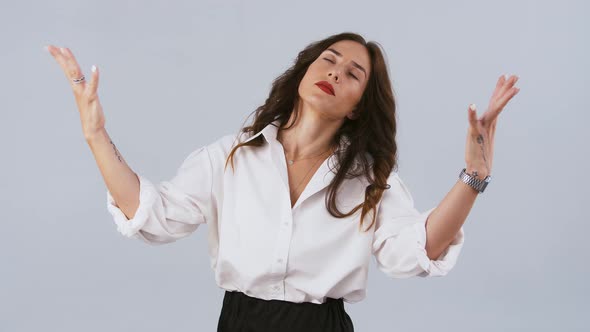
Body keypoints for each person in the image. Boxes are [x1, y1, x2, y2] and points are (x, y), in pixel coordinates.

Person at [46, 31, 520, 332]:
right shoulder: (231, 156)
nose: (336, 70)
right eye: (328, 59)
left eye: (353, 73)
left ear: (357, 105)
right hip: (239, 322)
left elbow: (419, 249)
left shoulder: (371, 179)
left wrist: (473, 177)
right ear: (304, 72)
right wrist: (95, 134)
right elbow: (153, 215)